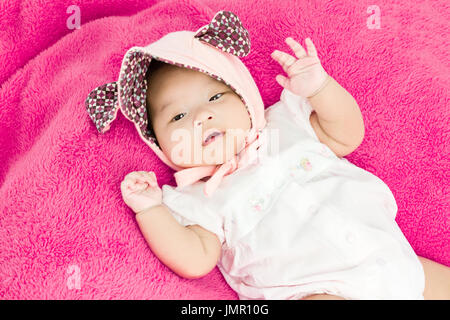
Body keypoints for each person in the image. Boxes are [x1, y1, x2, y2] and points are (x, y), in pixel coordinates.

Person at [86, 11, 450, 300]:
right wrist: (149, 209)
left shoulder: (286, 121)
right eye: (178, 117)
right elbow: (196, 259)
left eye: (215, 97)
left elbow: (347, 135)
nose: (202, 117)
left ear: (245, 96)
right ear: (159, 144)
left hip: (395, 258)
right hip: (316, 289)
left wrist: (320, 88)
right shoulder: (197, 197)